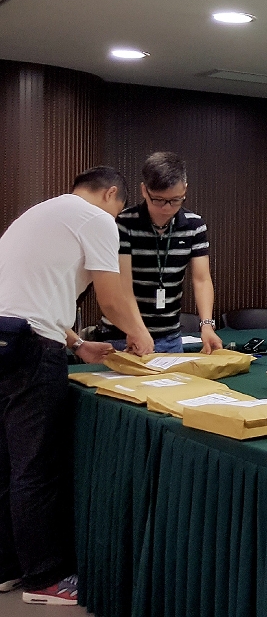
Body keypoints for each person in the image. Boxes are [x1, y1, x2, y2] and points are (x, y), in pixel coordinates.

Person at [0, 167, 154, 606]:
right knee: (34, 468)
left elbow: (23, 296)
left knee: (5, 463)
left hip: (5, 338)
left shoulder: (39, 213)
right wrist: (139, 335)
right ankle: (45, 578)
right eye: (120, 207)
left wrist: (79, 342)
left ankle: (6, 568)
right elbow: (111, 299)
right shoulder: (99, 219)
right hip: (31, 351)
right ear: (111, 195)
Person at [97, 152, 222, 354]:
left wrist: (206, 324)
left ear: (185, 190)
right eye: (158, 200)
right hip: (123, 336)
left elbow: (202, 279)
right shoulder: (124, 223)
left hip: (170, 336)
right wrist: (136, 329)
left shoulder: (194, 225)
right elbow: (123, 286)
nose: (166, 208)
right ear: (144, 190)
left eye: (175, 200)